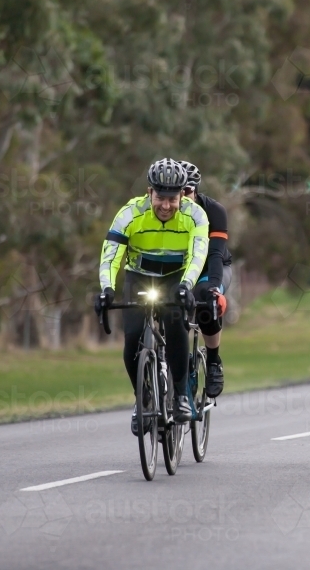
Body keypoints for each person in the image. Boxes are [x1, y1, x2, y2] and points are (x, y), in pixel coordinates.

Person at [95, 158, 209, 434]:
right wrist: (106, 288)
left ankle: (182, 395)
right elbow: (111, 256)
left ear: (182, 194)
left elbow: (197, 254)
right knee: (132, 337)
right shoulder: (130, 214)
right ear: (149, 192)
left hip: (176, 277)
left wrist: (187, 285)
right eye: (160, 198)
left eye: (173, 199)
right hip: (139, 276)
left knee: (175, 324)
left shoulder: (196, 215)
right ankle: (142, 399)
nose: (166, 206)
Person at [178, 160, 232, 398]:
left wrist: (214, 289)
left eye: (186, 191)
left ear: (196, 190)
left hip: (211, 267)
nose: (181, 197)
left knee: (204, 300)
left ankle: (213, 362)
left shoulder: (213, 211)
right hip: (179, 271)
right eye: (176, 192)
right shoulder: (163, 210)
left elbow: (216, 254)